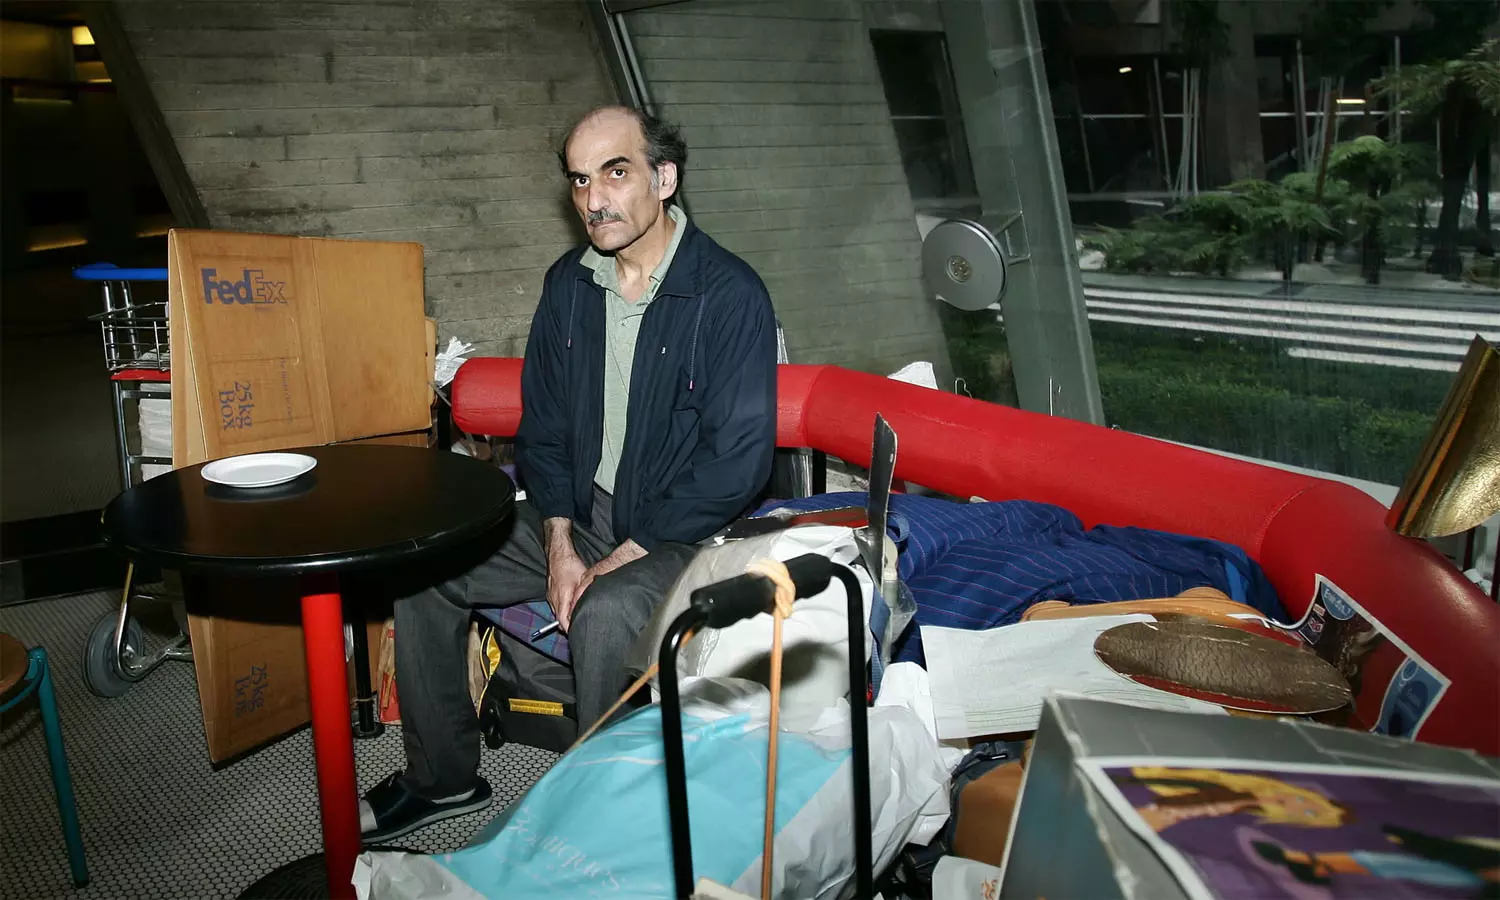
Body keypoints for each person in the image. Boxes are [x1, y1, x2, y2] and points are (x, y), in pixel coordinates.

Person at [360, 106, 779, 841]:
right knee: (429, 565)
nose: (594, 199)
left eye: (615, 173)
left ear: (664, 178)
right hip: (582, 510)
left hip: (685, 533)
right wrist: (559, 542)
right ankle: (441, 779)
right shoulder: (569, 285)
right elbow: (545, 430)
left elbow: (735, 464)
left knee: (605, 610)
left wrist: (618, 557)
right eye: (581, 181)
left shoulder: (729, 294)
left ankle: (602, 820)